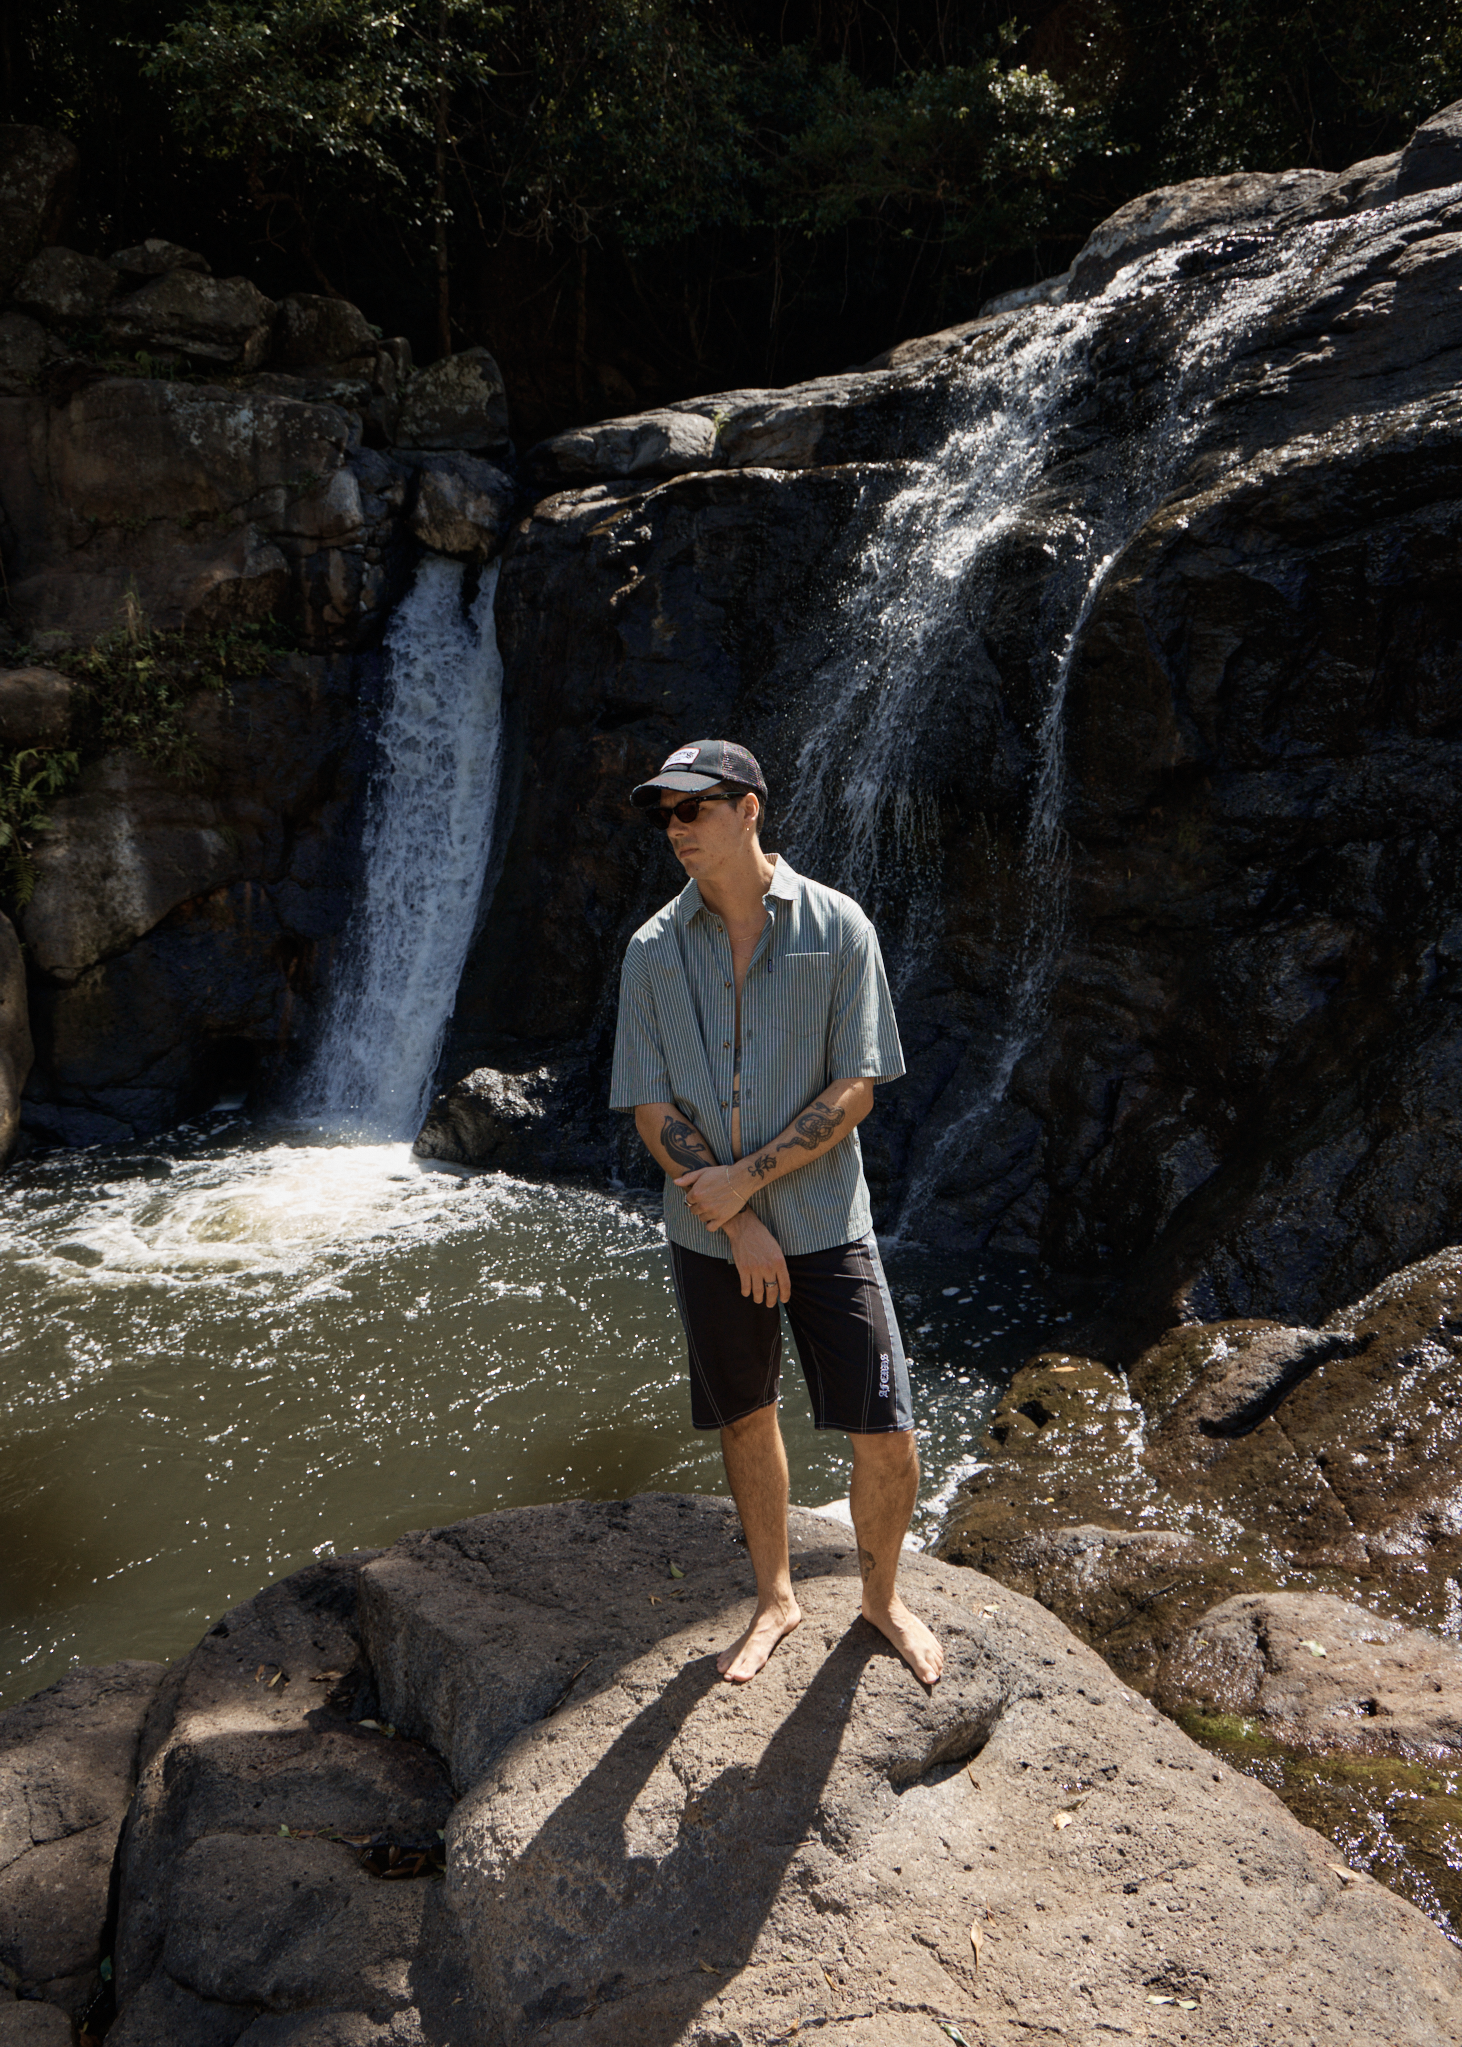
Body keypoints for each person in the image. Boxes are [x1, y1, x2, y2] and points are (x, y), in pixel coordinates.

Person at [609, 738, 943, 1687]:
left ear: (748, 808)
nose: (674, 829)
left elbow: (856, 1089)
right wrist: (734, 1219)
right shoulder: (651, 951)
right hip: (711, 1233)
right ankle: (776, 1598)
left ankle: (880, 1599)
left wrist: (752, 1181)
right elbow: (650, 1105)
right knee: (747, 1416)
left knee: (890, 1430)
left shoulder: (838, 928)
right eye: (663, 813)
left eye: (692, 808)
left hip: (829, 1222)